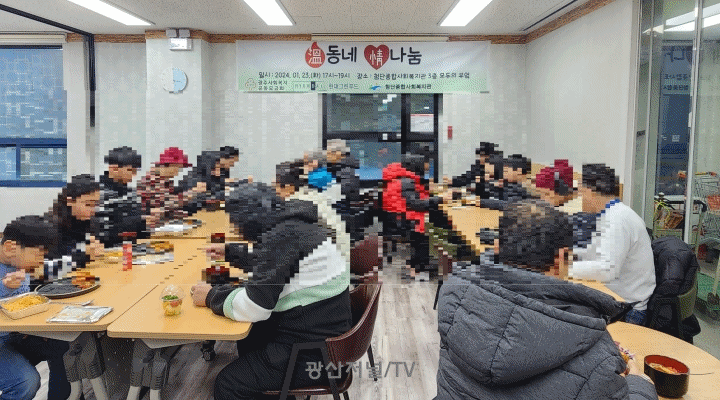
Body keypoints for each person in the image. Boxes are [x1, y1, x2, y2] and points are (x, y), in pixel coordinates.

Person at [435, 200, 658, 400]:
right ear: (561, 259)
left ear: (495, 247)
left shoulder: (456, 299)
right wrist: (641, 385)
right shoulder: (597, 354)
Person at [189, 182, 352, 400]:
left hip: (314, 355)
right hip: (327, 338)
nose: (236, 230)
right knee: (249, 336)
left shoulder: (282, 237)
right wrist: (231, 253)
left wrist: (211, 296)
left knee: (227, 384)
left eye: (237, 225)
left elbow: (254, 308)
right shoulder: (295, 225)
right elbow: (275, 262)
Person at [0, 216, 76, 400]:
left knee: (62, 344)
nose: (40, 262)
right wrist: (4, 287)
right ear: (10, 248)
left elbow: (26, 296)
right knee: (26, 382)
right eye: (38, 255)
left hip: (15, 333)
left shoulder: (18, 264)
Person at [570, 164, 656, 326]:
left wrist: (565, 269)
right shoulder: (612, 213)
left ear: (590, 192)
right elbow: (595, 252)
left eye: (581, 192)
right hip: (620, 300)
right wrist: (570, 256)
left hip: (627, 310)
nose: (580, 198)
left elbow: (606, 270)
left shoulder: (617, 220)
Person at [382, 153, 442, 280]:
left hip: (397, 220)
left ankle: (417, 263)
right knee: (428, 227)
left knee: (430, 220)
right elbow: (416, 204)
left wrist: (429, 191)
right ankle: (418, 267)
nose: (426, 170)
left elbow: (414, 195)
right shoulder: (406, 182)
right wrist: (439, 199)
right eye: (425, 167)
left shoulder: (401, 178)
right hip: (403, 223)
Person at [43, 174, 104, 281]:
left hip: (78, 278)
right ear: (70, 201)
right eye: (88, 205)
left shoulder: (88, 221)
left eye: (96, 205)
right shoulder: (51, 227)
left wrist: (94, 248)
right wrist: (84, 255)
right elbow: (46, 272)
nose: (93, 210)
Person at [95, 147, 153, 247]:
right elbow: (103, 231)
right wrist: (139, 221)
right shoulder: (97, 193)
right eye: (130, 170)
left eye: (135, 171)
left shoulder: (131, 192)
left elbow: (140, 228)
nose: (134, 175)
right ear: (114, 169)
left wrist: (148, 220)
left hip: (131, 247)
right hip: (107, 250)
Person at [137, 147, 205, 224]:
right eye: (178, 168)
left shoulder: (163, 179)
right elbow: (167, 205)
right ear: (170, 164)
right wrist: (192, 193)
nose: (177, 173)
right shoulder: (151, 180)